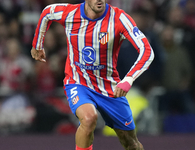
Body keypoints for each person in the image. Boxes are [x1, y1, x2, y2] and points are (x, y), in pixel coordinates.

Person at [31, 0, 154, 150]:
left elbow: (147, 52)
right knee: (89, 119)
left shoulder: (119, 19)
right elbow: (47, 12)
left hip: (110, 88)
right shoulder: (70, 13)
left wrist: (128, 79)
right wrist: (37, 45)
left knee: (131, 143)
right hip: (78, 82)